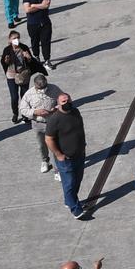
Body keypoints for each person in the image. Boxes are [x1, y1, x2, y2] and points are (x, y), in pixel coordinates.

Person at [44, 90, 89, 219]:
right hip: (66, 158)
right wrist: (58, 155)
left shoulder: (76, 112)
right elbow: (48, 139)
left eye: (68, 100)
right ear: (58, 104)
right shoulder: (55, 120)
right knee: (69, 183)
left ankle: (69, 201)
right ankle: (75, 209)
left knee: (77, 181)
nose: (67, 102)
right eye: (64, 101)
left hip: (79, 155)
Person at [22, 72, 64, 173]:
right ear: (35, 85)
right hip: (38, 124)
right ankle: (45, 161)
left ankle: (57, 170)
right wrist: (35, 112)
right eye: (40, 88)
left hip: (53, 123)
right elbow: (23, 109)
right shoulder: (29, 93)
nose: (43, 90)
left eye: (44, 87)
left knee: (54, 145)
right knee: (41, 145)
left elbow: (64, 100)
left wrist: (56, 108)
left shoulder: (54, 89)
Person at [0, 31, 40, 123]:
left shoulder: (24, 47)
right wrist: (6, 61)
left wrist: (28, 58)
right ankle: (15, 113)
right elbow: (3, 62)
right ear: (9, 40)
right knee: (14, 97)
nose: (16, 40)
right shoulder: (7, 50)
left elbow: (30, 62)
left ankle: (25, 115)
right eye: (14, 38)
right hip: (11, 76)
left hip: (23, 75)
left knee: (24, 96)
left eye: (17, 38)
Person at [21, 0, 55, 66]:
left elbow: (46, 6)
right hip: (33, 23)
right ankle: (36, 57)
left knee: (46, 42)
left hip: (45, 22)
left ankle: (47, 60)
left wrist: (33, 5)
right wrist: (40, 5)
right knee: (35, 42)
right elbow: (27, 10)